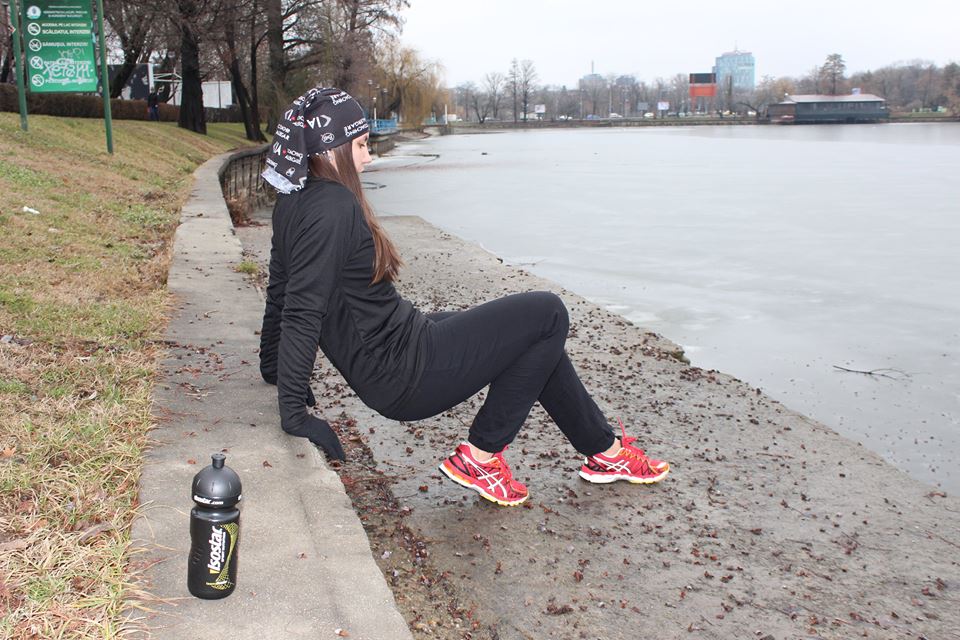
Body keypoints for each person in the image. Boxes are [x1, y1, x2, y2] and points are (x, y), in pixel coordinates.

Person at [259, 87, 669, 507]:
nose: (368, 157)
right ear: (330, 150)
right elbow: (301, 310)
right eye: (361, 145)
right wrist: (294, 414)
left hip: (398, 346)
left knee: (530, 337)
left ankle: (605, 452)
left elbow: (279, 289)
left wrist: (273, 368)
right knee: (549, 313)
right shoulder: (333, 206)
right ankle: (481, 457)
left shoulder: (293, 200)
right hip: (402, 372)